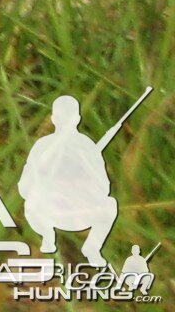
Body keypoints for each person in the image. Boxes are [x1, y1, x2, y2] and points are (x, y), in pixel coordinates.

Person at [19, 95, 120, 266]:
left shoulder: (86, 147)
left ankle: (92, 248)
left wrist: (85, 172)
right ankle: (48, 238)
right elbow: (25, 185)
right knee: (31, 203)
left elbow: (104, 187)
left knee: (110, 205)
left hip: (79, 209)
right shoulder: (44, 146)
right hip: (50, 210)